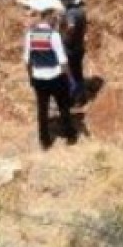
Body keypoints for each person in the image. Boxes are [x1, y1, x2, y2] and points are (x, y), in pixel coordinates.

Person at [24, 13, 77, 149]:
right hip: (56, 77)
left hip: (38, 78)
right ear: (49, 18)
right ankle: (70, 136)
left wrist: (30, 76)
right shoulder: (54, 35)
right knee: (63, 106)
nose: (57, 21)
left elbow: (27, 60)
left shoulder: (30, 35)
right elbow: (63, 61)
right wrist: (70, 78)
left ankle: (45, 141)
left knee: (42, 109)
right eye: (55, 18)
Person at [57, 0, 87, 104]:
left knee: (68, 74)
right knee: (78, 72)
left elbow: (71, 26)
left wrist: (63, 37)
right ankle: (81, 97)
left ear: (68, 0)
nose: (61, 2)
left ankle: (71, 98)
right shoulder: (81, 11)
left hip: (70, 48)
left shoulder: (70, 13)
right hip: (79, 46)